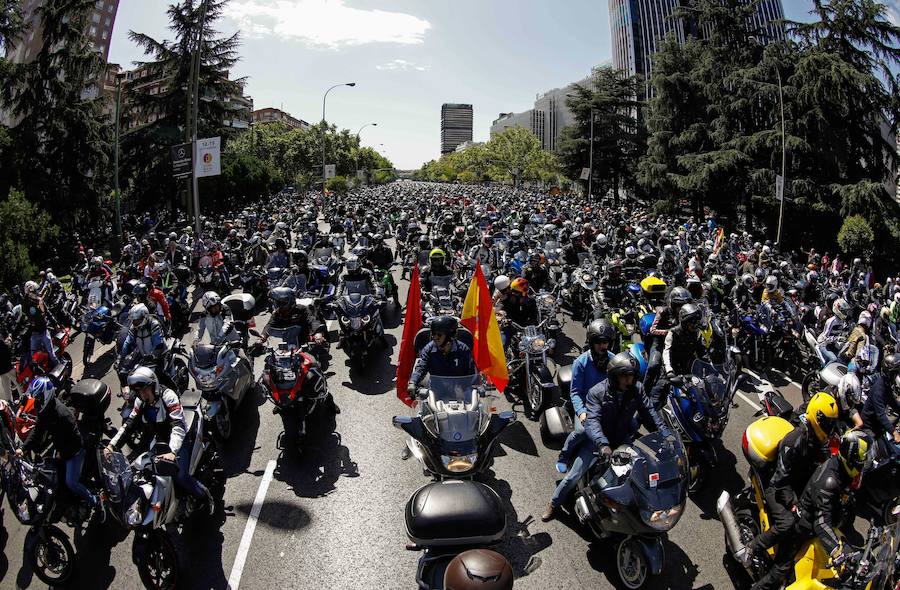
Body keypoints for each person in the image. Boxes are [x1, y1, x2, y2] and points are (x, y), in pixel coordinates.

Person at [542, 352, 671, 521]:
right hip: (597, 442)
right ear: (615, 376)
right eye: (625, 377)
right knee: (573, 477)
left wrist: (666, 434)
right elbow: (592, 421)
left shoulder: (636, 389)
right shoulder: (597, 393)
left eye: (631, 377)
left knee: (640, 472)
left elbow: (650, 412)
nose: (629, 381)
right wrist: (602, 444)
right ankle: (553, 503)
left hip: (621, 439)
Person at [748, 430, 868, 590]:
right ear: (851, 459)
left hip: (816, 518)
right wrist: (836, 551)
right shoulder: (829, 481)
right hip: (803, 526)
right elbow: (821, 523)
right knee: (780, 570)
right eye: (861, 460)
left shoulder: (841, 470)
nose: (863, 463)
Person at [735, 392, 840, 573]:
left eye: (832, 424)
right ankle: (750, 548)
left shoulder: (818, 439)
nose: (830, 428)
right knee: (788, 523)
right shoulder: (794, 440)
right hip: (776, 488)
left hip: (795, 482)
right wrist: (794, 504)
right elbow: (780, 479)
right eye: (828, 424)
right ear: (817, 417)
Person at [104, 367, 215, 514]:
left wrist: (172, 452)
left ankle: (205, 497)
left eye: (145, 390)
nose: (143, 394)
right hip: (159, 443)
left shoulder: (168, 396)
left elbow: (178, 425)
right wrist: (112, 445)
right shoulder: (140, 401)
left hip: (179, 442)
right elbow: (128, 425)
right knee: (141, 473)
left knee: (180, 476)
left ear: (153, 385)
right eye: (139, 391)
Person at [542, 320, 614, 521]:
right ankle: (554, 502)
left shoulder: (614, 361)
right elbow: (575, 393)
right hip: (586, 411)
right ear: (591, 342)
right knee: (573, 474)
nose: (603, 346)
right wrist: (582, 412)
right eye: (599, 342)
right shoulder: (581, 362)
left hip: (607, 416)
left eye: (606, 342)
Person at [20, 376, 104, 519]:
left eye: (39, 398)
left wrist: (61, 455)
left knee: (71, 482)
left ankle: (97, 502)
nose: (37, 402)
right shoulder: (46, 411)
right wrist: (23, 448)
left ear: (46, 395)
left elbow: (75, 441)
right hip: (64, 448)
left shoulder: (61, 414)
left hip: (75, 451)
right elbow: (37, 430)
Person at [651, 302, 707, 409]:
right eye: (693, 322)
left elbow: (701, 352)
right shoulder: (673, 333)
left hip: (688, 371)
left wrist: (709, 363)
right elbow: (666, 352)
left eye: (697, 322)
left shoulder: (696, 334)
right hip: (672, 372)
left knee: (705, 396)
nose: (696, 325)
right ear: (685, 322)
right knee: (656, 399)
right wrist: (669, 371)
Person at [408, 316, 476, 399]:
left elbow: (471, 372)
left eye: (439, 335)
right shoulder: (428, 349)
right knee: (424, 410)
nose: (435, 337)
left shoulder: (464, 350)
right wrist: (413, 383)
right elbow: (421, 367)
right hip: (435, 391)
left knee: (476, 408)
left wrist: (477, 386)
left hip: (459, 392)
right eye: (433, 334)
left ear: (450, 335)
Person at [20, 280, 59, 370]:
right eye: (34, 291)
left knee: (51, 354)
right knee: (34, 357)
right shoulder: (26, 304)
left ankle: (61, 371)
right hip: (34, 334)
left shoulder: (39, 300)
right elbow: (24, 316)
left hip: (44, 331)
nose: (36, 292)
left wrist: (55, 324)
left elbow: (48, 312)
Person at [816, 298, 849, 365]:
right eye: (843, 311)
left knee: (842, 361)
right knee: (834, 359)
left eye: (846, 311)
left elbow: (843, 334)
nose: (845, 313)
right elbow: (825, 338)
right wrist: (837, 338)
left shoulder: (843, 322)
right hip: (824, 344)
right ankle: (823, 372)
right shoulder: (831, 321)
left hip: (833, 346)